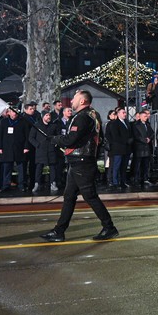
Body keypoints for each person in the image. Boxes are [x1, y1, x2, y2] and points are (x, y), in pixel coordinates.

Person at [40, 90, 118, 242]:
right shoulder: (92, 115)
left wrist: (54, 139)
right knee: (69, 196)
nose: (71, 101)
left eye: (75, 98)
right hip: (80, 161)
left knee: (89, 195)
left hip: (81, 162)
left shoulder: (83, 117)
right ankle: (59, 231)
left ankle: (109, 227)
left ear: (82, 101)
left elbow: (71, 139)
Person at [0, 107, 31, 191]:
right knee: (7, 168)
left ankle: (21, 185)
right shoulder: (3, 122)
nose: (14, 113)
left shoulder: (23, 121)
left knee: (21, 168)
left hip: (20, 148)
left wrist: (26, 147)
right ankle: (5, 185)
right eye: (12, 112)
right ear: (8, 113)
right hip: (7, 149)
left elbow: (27, 136)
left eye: (16, 112)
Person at [29, 110, 61, 193]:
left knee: (53, 167)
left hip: (51, 150)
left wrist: (55, 143)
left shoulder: (54, 126)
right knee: (39, 167)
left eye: (49, 115)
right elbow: (31, 138)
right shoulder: (37, 126)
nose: (49, 117)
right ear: (43, 116)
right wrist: (37, 145)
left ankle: (53, 183)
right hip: (41, 150)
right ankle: (37, 183)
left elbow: (58, 136)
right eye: (47, 115)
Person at [106, 107, 132, 190]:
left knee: (124, 166)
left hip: (126, 148)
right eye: (123, 112)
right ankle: (115, 182)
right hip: (118, 148)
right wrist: (126, 141)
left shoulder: (127, 122)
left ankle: (123, 182)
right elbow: (115, 136)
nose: (125, 114)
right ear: (118, 114)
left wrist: (130, 140)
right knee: (116, 166)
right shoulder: (114, 123)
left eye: (125, 112)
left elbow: (130, 133)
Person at [131, 109, 155, 186]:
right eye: (144, 116)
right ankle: (136, 179)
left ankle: (145, 178)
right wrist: (144, 140)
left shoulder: (147, 125)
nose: (146, 118)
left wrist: (149, 138)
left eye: (146, 116)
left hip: (146, 147)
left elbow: (152, 133)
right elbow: (136, 136)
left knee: (146, 164)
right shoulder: (135, 125)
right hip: (139, 147)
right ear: (140, 117)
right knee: (137, 164)